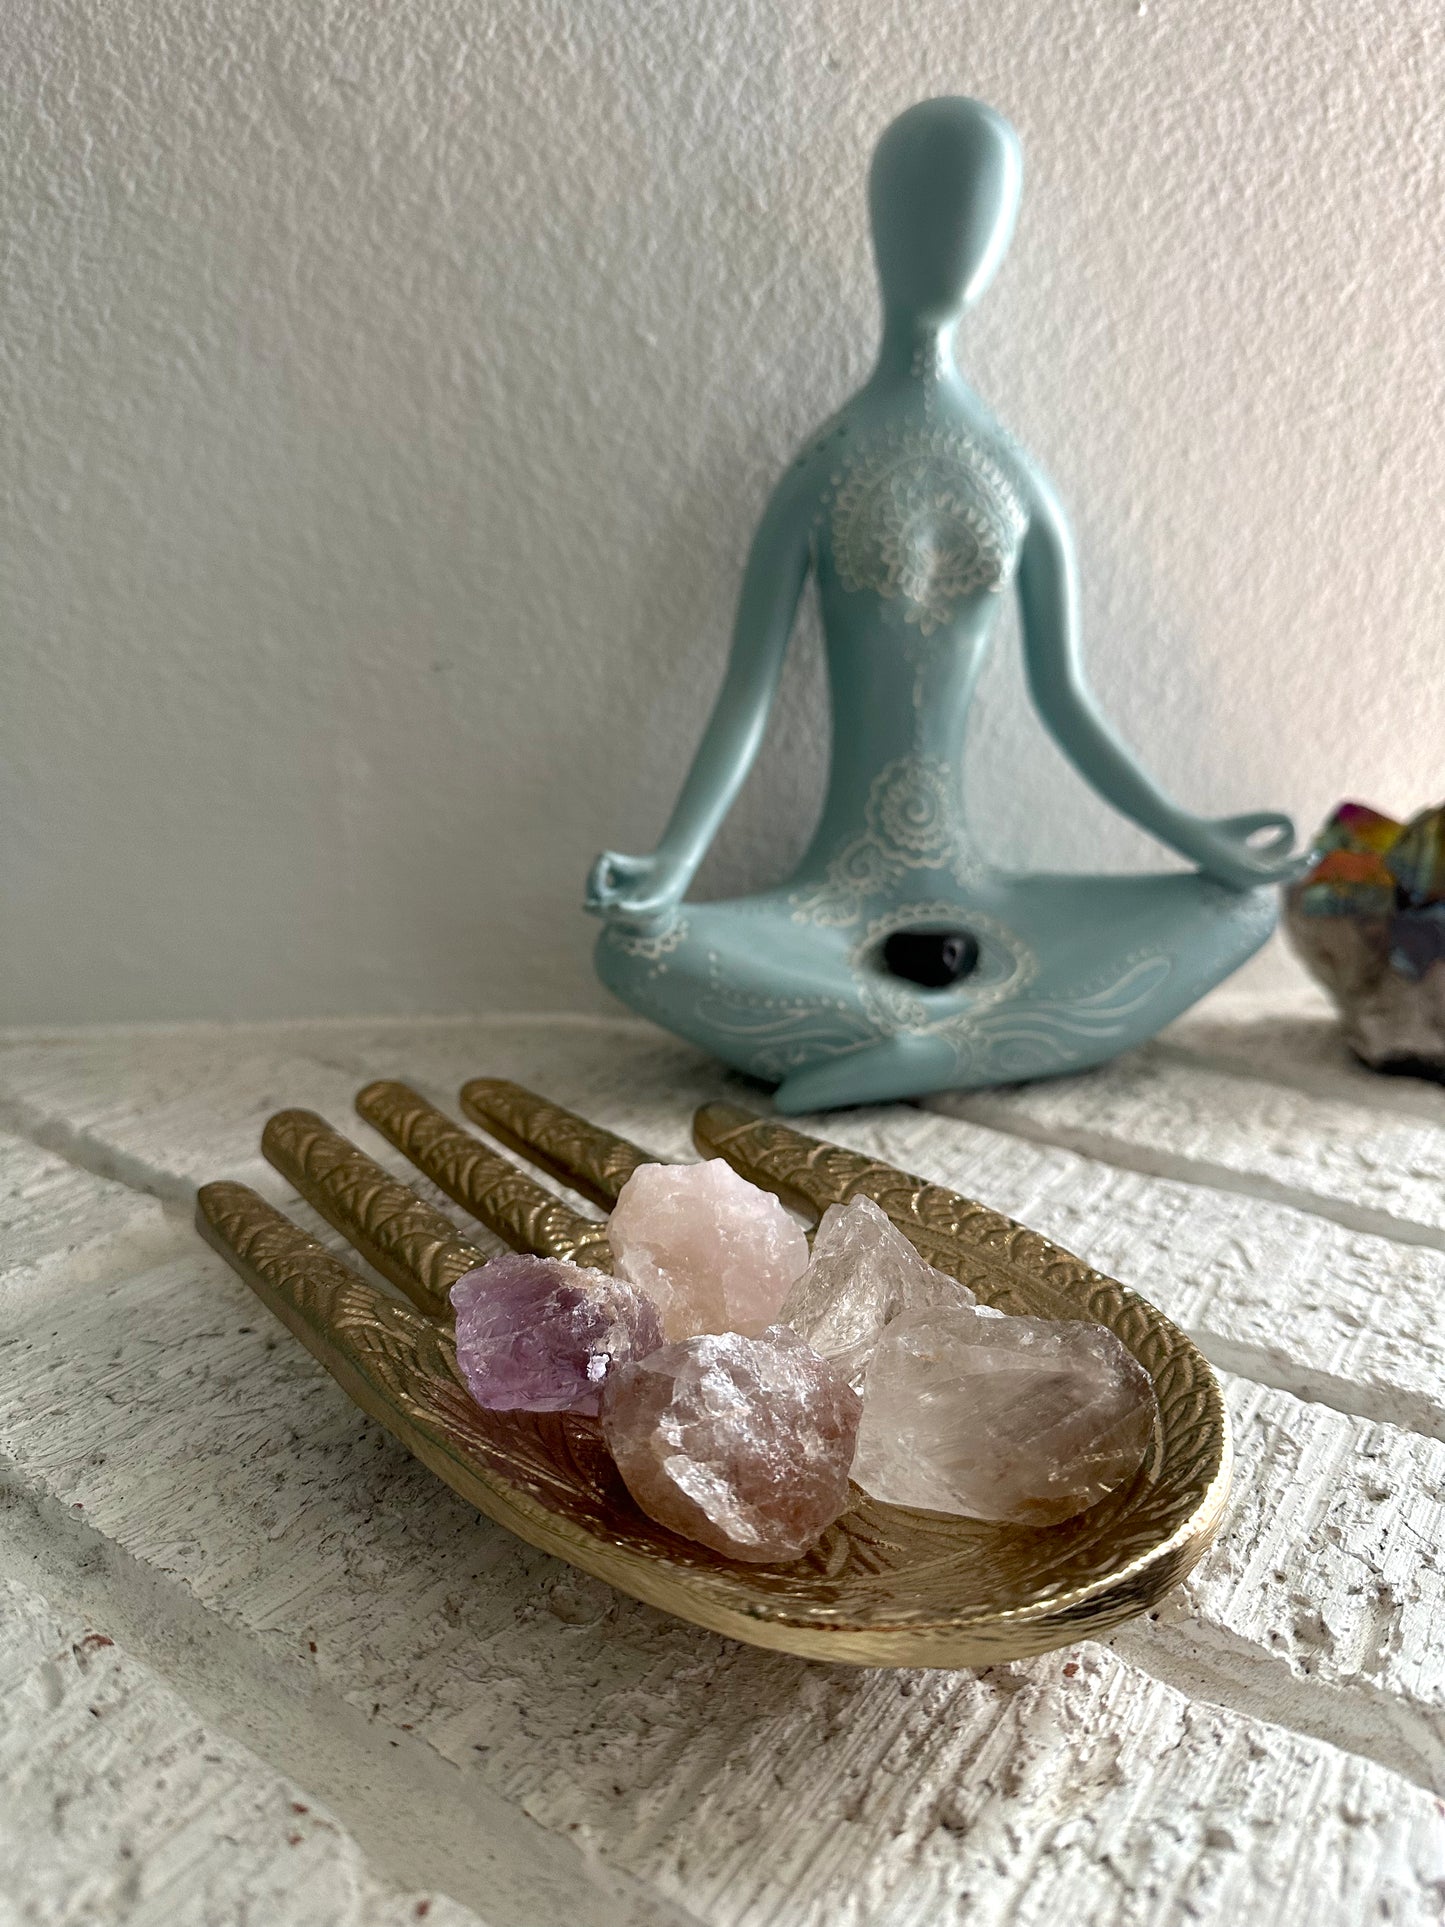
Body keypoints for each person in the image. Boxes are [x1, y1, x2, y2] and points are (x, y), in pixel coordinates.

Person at [586, 97, 1300, 1111]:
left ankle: (924, 1049)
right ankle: (981, 1041)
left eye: (972, 215)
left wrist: (1199, 842)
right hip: (828, 907)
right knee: (633, 953)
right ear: (880, 224)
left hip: (984, 899)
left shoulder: (1013, 474)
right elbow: (743, 693)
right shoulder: (824, 468)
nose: (946, 243)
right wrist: (670, 863)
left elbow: (1066, 701)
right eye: (922, 210)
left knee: (1239, 909)